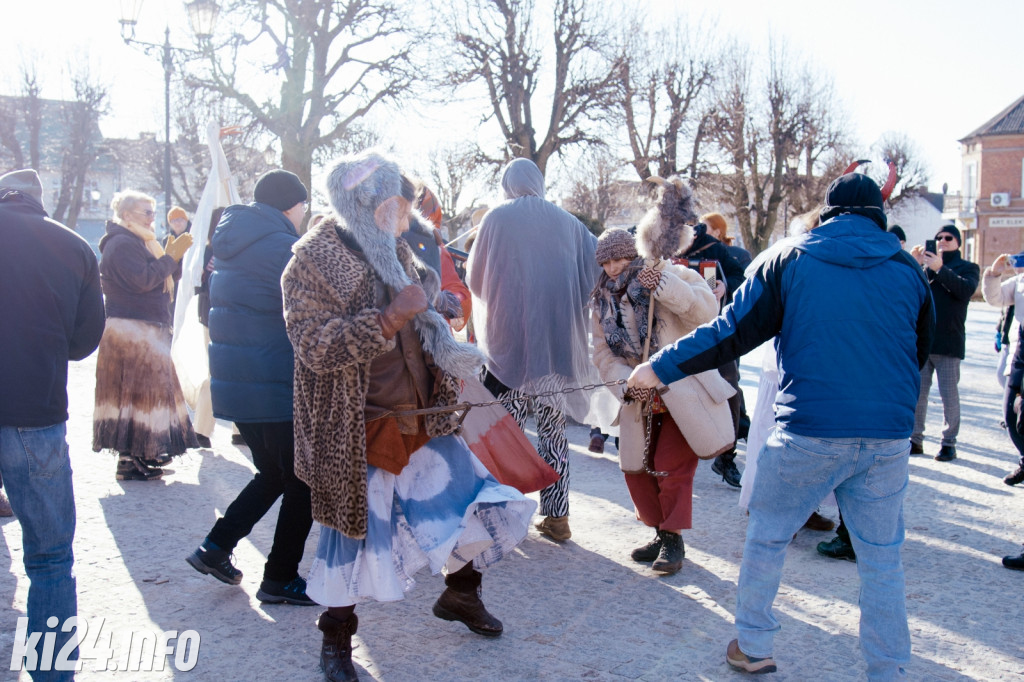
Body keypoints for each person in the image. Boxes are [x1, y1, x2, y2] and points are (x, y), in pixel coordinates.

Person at [627, 171, 933, 678]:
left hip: (809, 427)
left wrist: (658, 366)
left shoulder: (790, 257)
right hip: (886, 435)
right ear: (880, 216)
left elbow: (731, 333)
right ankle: (889, 668)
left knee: (768, 535)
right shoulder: (906, 267)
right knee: (882, 559)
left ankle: (753, 643)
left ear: (828, 212)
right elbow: (917, 353)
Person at [281, 151, 533, 682]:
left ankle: (462, 594)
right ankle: (336, 640)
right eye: (394, 202)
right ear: (363, 203)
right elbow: (314, 346)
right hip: (357, 427)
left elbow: (420, 319)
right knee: (351, 536)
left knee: (470, 501)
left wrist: (434, 308)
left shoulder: (397, 251)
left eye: (403, 201)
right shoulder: (311, 259)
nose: (404, 212)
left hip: (424, 415)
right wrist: (391, 316)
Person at [186, 170, 316, 605]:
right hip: (274, 382)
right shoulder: (283, 248)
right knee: (303, 481)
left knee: (274, 473)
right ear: (290, 206)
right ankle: (280, 577)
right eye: (303, 206)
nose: (304, 214)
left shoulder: (232, 245)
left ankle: (215, 547)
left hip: (238, 384)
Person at [1, 168, 105, 679]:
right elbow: (85, 341)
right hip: (33, 409)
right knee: (48, 557)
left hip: (31, 410)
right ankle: (50, 672)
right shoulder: (74, 246)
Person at [467, 157, 598, 542]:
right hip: (555, 348)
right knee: (553, 431)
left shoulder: (495, 218)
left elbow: (475, 279)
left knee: (505, 433)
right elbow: (595, 270)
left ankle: (505, 516)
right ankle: (557, 517)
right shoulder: (570, 223)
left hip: (509, 346)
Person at [590, 218, 732, 575]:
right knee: (636, 469)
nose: (612, 268)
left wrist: (665, 286)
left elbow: (707, 313)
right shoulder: (601, 301)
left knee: (672, 466)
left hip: (682, 390)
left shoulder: (670, 274)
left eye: (618, 259)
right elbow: (602, 355)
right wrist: (626, 382)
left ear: (633, 254)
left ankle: (673, 538)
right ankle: (658, 531)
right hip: (640, 397)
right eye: (605, 263)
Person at [93, 190, 197, 480]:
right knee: (136, 396)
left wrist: (170, 260)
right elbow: (142, 280)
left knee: (143, 396)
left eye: (153, 212)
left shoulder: (140, 242)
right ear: (126, 215)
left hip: (142, 327)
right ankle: (131, 458)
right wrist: (169, 259)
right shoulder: (121, 244)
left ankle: (139, 455)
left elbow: (157, 280)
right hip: (132, 329)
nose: (153, 218)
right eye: (146, 212)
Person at [678, 213, 746, 488]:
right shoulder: (657, 243)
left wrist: (722, 286)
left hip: (713, 328)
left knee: (730, 385)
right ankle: (674, 461)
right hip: (672, 329)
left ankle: (726, 456)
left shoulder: (713, 248)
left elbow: (738, 276)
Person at [910, 224, 980, 461]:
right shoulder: (926, 267)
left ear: (958, 242)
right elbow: (910, 291)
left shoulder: (968, 267)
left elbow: (965, 290)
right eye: (938, 237)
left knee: (949, 396)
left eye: (948, 237)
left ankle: (949, 442)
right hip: (924, 342)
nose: (942, 240)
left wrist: (940, 268)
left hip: (949, 343)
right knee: (918, 395)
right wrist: (915, 264)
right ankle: (915, 440)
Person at [981, 251, 1024, 485]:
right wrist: (995, 273)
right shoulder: (1019, 282)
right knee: (1010, 412)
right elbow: (995, 298)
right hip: (1021, 349)